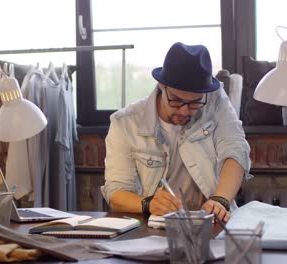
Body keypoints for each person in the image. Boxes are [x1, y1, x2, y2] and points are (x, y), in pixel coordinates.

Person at [101, 42, 251, 222]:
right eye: (177, 100)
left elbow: (235, 151)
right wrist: (148, 204)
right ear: (161, 86)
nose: (184, 111)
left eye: (195, 102)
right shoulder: (125, 123)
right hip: (154, 227)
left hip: (212, 223)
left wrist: (221, 200)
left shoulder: (215, 101)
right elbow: (115, 192)